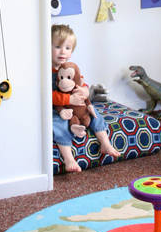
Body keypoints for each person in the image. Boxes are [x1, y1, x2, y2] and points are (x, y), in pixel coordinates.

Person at [51, 23, 120, 173]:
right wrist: (68, 100)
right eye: (57, 47)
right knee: (58, 124)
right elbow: (47, 95)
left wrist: (85, 91)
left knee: (94, 114)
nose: (63, 51)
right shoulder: (46, 71)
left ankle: (105, 143)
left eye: (67, 48)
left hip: (77, 108)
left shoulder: (70, 68)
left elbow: (81, 83)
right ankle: (69, 159)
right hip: (58, 110)